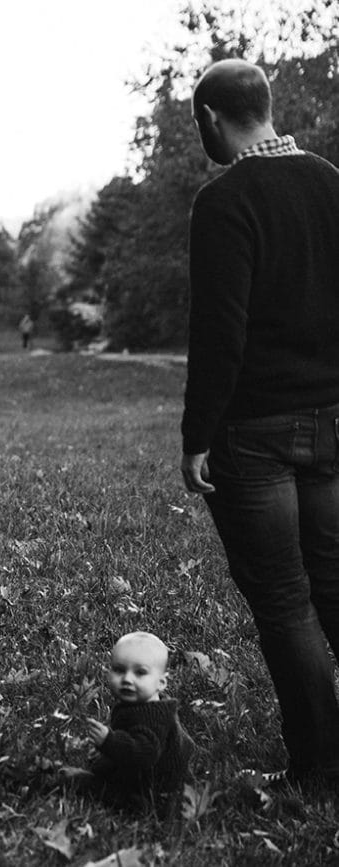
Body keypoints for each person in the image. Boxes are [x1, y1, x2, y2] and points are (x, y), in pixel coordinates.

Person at [181, 58, 339, 790]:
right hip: (332, 423)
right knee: (334, 584)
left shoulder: (225, 201)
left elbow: (222, 332)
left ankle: (316, 766)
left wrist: (196, 436)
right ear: (266, 105)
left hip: (255, 434)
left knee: (284, 600)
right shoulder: (333, 184)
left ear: (212, 118)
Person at [61, 631, 195, 814]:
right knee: (101, 765)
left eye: (140, 672)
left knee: (77, 780)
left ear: (161, 682)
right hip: (143, 776)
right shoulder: (141, 705)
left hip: (154, 793)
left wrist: (109, 741)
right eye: (119, 670)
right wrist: (108, 749)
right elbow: (131, 738)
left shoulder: (154, 717)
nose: (127, 679)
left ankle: (134, 800)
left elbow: (144, 754)